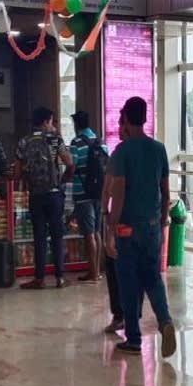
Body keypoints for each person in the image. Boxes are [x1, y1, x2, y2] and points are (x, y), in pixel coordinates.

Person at [108, 96, 176, 358]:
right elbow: (166, 193)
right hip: (151, 226)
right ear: (145, 117)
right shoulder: (159, 149)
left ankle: (133, 339)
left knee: (128, 282)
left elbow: (120, 192)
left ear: (125, 118)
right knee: (152, 278)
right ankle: (165, 321)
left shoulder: (123, 151)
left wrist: (112, 228)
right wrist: (161, 224)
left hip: (127, 227)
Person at [16, 107, 75, 290]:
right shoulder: (55, 139)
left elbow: (18, 171)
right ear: (46, 121)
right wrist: (62, 181)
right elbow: (70, 164)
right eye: (51, 121)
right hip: (54, 193)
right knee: (57, 235)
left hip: (36, 195)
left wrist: (26, 182)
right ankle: (60, 278)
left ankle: (39, 278)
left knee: (39, 236)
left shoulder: (24, 142)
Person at [102, 119, 144, 334]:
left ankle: (122, 316)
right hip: (145, 222)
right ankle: (133, 315)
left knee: (116, 264)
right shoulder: (151, 150)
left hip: (124, 222)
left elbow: (111, 189)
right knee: (138, 270)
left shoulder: (120, 153)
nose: (117, 128)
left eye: (120, 124)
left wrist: (108, 219)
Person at [70, 110, 108, 282]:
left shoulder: (76, 143)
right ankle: (97, 270)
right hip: (99, 191)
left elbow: (72, 165)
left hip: (82, 192)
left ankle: (92, 273)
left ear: (76, 125)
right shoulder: (101, 142)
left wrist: (64, 180)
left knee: (88, 233)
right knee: (96, 231)